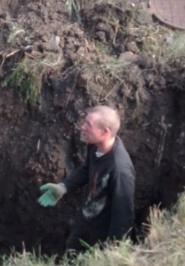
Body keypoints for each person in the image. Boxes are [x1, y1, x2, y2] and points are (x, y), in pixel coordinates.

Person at [38, 106, 135, 252]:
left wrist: (113, 250)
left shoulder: (119, 170)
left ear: (105, 132)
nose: (82, 127)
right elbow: (87, 169)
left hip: (99, 239)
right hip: (85, 222)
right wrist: (63, 187)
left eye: (88, 124)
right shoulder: (96, 146)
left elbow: (123, 215)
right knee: (70, 260)